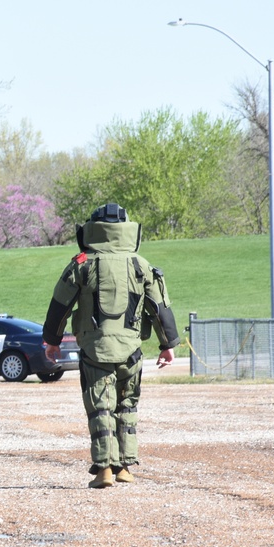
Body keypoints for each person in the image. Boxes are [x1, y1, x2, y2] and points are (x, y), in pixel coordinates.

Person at [42, 203, 180, 489]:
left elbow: (60, 306)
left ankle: (104, 469)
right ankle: (126, 467)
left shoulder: (82, 263)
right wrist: (168, 345)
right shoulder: (140, 264)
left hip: (95, 350)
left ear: (93, 229)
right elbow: (160, 308)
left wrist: (52, 341)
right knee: (127, 406)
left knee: (100, 408)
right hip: (131, 350)